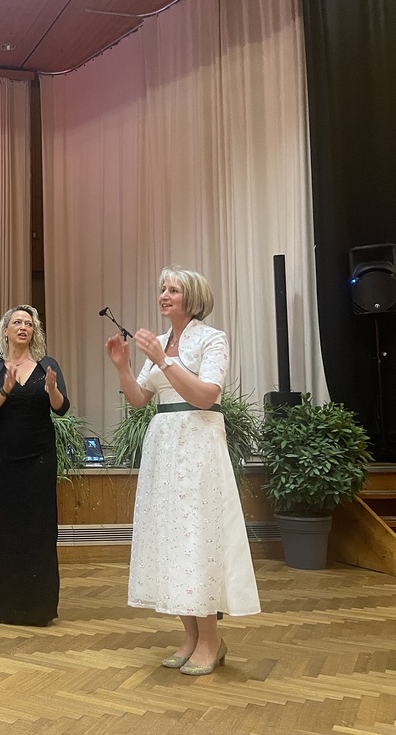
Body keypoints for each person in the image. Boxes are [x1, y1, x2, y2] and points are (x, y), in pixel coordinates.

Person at [105, 266, 260, 675]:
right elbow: (140, 399)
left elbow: (206, 396)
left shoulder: (212, 338)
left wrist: (164, 361)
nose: (164, 294)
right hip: (165, 443)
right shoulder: (159, 342)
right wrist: (122, 366)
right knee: (171, 536)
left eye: (173, 289)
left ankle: (211, 640)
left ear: (192, 298)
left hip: (199, 443)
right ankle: (190, 638)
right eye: (162, 288)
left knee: (196, 536)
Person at [0, 304, 70, 627]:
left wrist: (52, 390)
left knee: (39, 527)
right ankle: (6, 605)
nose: (22, 327)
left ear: (34, 332)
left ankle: (39, 607)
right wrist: (5, 389)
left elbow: (61, 408)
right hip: (1, 457)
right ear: (5, 331)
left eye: (28, 324)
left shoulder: (47, 366)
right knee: (6, 528)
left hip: (39, 456)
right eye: (16, 322)